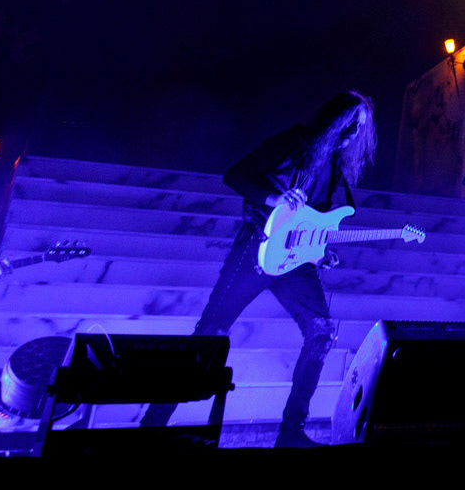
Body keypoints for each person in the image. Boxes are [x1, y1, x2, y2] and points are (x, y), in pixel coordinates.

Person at [145, 91, 376, 447]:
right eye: (350, 124)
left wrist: (319, 251)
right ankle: (151, 427)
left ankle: (291, 431)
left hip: (295, 262)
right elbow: (235, 175)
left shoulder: (335, 167)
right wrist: (274, 199)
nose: (352, 134)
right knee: (210, 331)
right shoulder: (294, 142)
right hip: (256, 246)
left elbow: (315, 217)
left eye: (359, 129)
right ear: (334, 119)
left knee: (321, 331)